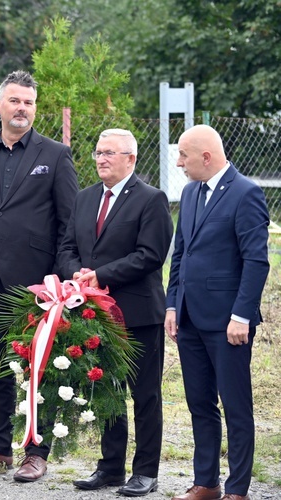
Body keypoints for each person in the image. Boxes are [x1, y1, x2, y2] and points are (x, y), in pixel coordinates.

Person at [0, 70, 78, 481]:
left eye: (29, 102)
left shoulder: (55, 155)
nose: (22, 108)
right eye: (16, 101)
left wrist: (60, 280)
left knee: (39, 369)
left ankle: (37, 452)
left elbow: (68, 223)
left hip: (37, 284)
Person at [57, 129, 173, 496]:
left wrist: (100, 275)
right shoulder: (85, 198)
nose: (101, 158)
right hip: (93, 314)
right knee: (105, 391)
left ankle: (146, 472)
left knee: (145, 394)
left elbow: (150, 255)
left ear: (131, 159)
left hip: (137, 313)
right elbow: (66, 246)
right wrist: (75, 271)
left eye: (110, 153)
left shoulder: (152, 200)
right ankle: (110, 469)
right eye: (98, 152)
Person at [165, 125, 269, 500]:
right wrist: (172, 303)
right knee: (199, 404)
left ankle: (237, 490)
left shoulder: (246, 193)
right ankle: (206, 483)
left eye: (183, 156)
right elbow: (181, 254)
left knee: (236, 407)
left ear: (206, 157)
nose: (178, 163)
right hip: (190, 319)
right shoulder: (191, 192)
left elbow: (256, 261)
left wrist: (242, 315)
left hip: (228, 324)